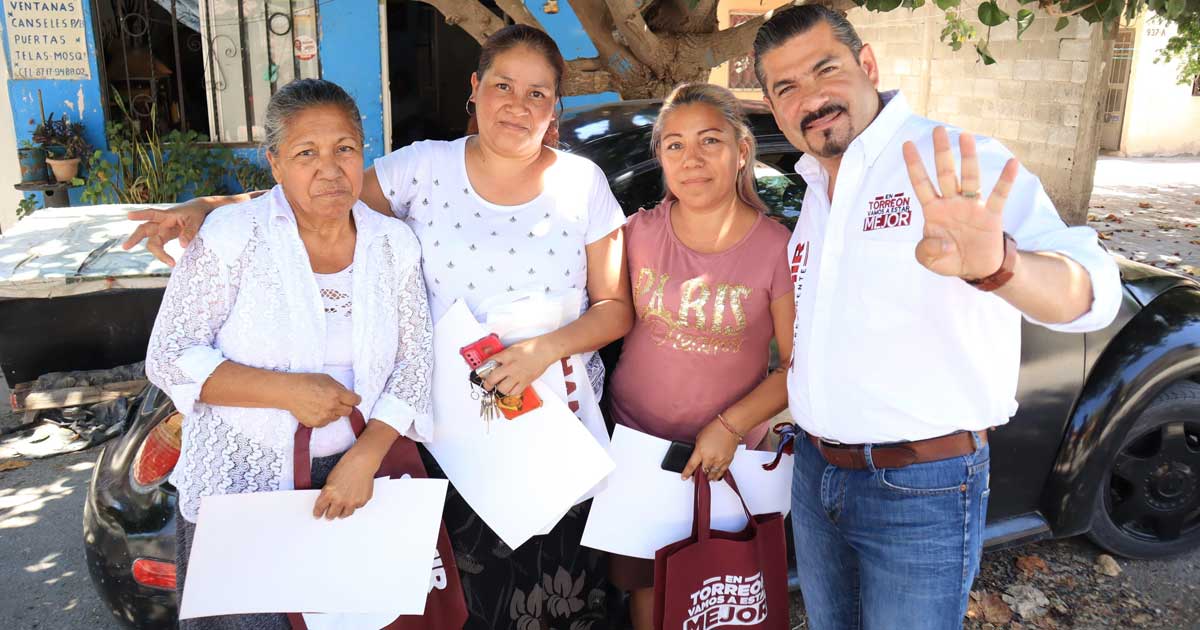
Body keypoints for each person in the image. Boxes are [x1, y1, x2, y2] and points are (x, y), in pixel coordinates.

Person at [127, 25, 632, 630]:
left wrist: (537, 352)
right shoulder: (423, 169)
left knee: (553, 594)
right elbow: (312, 195)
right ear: (475, 89)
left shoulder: (578, 185)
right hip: (445, 440)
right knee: (460, 602)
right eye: (503, 85)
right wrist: (208, 209)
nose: (517, 105)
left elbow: (613, 304)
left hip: (547, 429)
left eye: (537, 93)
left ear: (555, 105)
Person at [751, 6, 1122, 629]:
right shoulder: (813, 191)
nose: (811, 99)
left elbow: (1091, 294)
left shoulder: (952, 160)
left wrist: (1000, 266)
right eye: (786, 87)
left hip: (921, 487)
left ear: (867, 64)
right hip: (815, 476)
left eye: (826, 70)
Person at [144, 78, 433, 629]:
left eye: (344, 148)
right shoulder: (232, 237)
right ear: (275, 164)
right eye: (307, 153)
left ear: (362, 152)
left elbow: (415, 363)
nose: (330, 168)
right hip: (242, 478)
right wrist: (290, 391)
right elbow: (170, 354)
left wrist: (365, 457)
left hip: (357, 474)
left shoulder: (393, 244)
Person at [603, 82, 794, 629]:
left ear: (741, 151)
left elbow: (793, 370)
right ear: (660, 157)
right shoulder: (635, 233)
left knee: (715, 591)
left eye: (710, 141)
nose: (692, 160)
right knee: (646, 589)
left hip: (727, 459)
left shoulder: (775, 247)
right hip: (636, 446)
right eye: (675, 146)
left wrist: (730, 427)